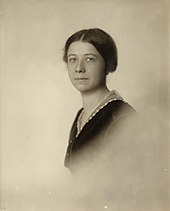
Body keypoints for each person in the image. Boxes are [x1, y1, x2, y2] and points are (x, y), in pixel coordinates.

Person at [62, 28, 165, 211]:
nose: (79, 68)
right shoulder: (81, 115)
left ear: (108, 64)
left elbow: (134, 196)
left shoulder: (122, 119)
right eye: (72, 59)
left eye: (89, 59)